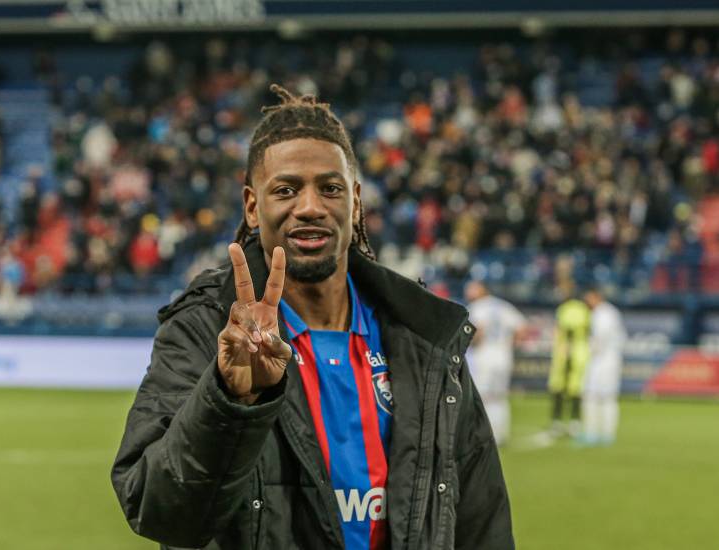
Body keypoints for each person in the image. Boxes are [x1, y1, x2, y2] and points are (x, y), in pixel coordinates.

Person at [111, 85, 513, 550]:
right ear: (252, 206)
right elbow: (159, 510)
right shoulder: (206, 329)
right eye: (286, 189)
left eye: (330, 188)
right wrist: (229, 400)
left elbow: (483, 524)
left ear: (355, 201)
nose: (309, 207)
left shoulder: (426, 339)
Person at [465, 281, 527, 446]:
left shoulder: (477, 307)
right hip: (503, 355)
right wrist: (510, 344)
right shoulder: (503, 306)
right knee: (499, 396)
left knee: (482, 396)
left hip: (484, 356)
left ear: (481, 290)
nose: (469, 291)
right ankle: (500, 435)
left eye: (472, 288)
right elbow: (522, 327)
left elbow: (477, 332)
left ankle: (483, 435)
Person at [581, 288, 627, 445]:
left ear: (596, 297)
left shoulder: (603, 313)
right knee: (601, 396)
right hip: (607, 359)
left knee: (598, 396)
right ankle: (599, 433)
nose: (587, 302)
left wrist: (589, 349)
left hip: (603, 360)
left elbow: (600, 338)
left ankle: (597, 433)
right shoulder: (609, 312)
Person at [547, 291, 591, 436]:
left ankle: (557, 422)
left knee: (560, 387)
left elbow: (566, 329)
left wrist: (567, 348)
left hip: (566, 351)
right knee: (575, 388)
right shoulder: (584, 309)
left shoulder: (565, 309)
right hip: (580, 351)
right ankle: (574, 422)